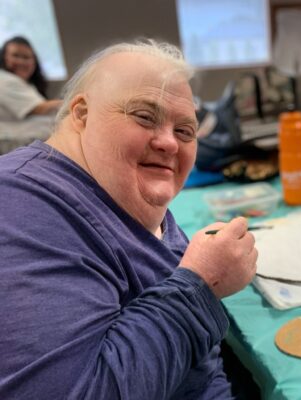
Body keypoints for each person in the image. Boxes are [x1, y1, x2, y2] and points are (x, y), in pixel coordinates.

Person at [0, 39, 258, 399]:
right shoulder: (19, 203)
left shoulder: (118, 186)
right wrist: (201, 282)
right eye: (144, 116)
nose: (170, 143)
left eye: (185, 131)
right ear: (81, 114)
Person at [0, 36, 62, 153]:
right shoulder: (5, 80)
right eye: (15, 56)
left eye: (26, 57)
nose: (21, 61)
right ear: (4, 58)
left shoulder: (25, 84)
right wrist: (72, 101)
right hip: (15, 148)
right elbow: (38, 108)